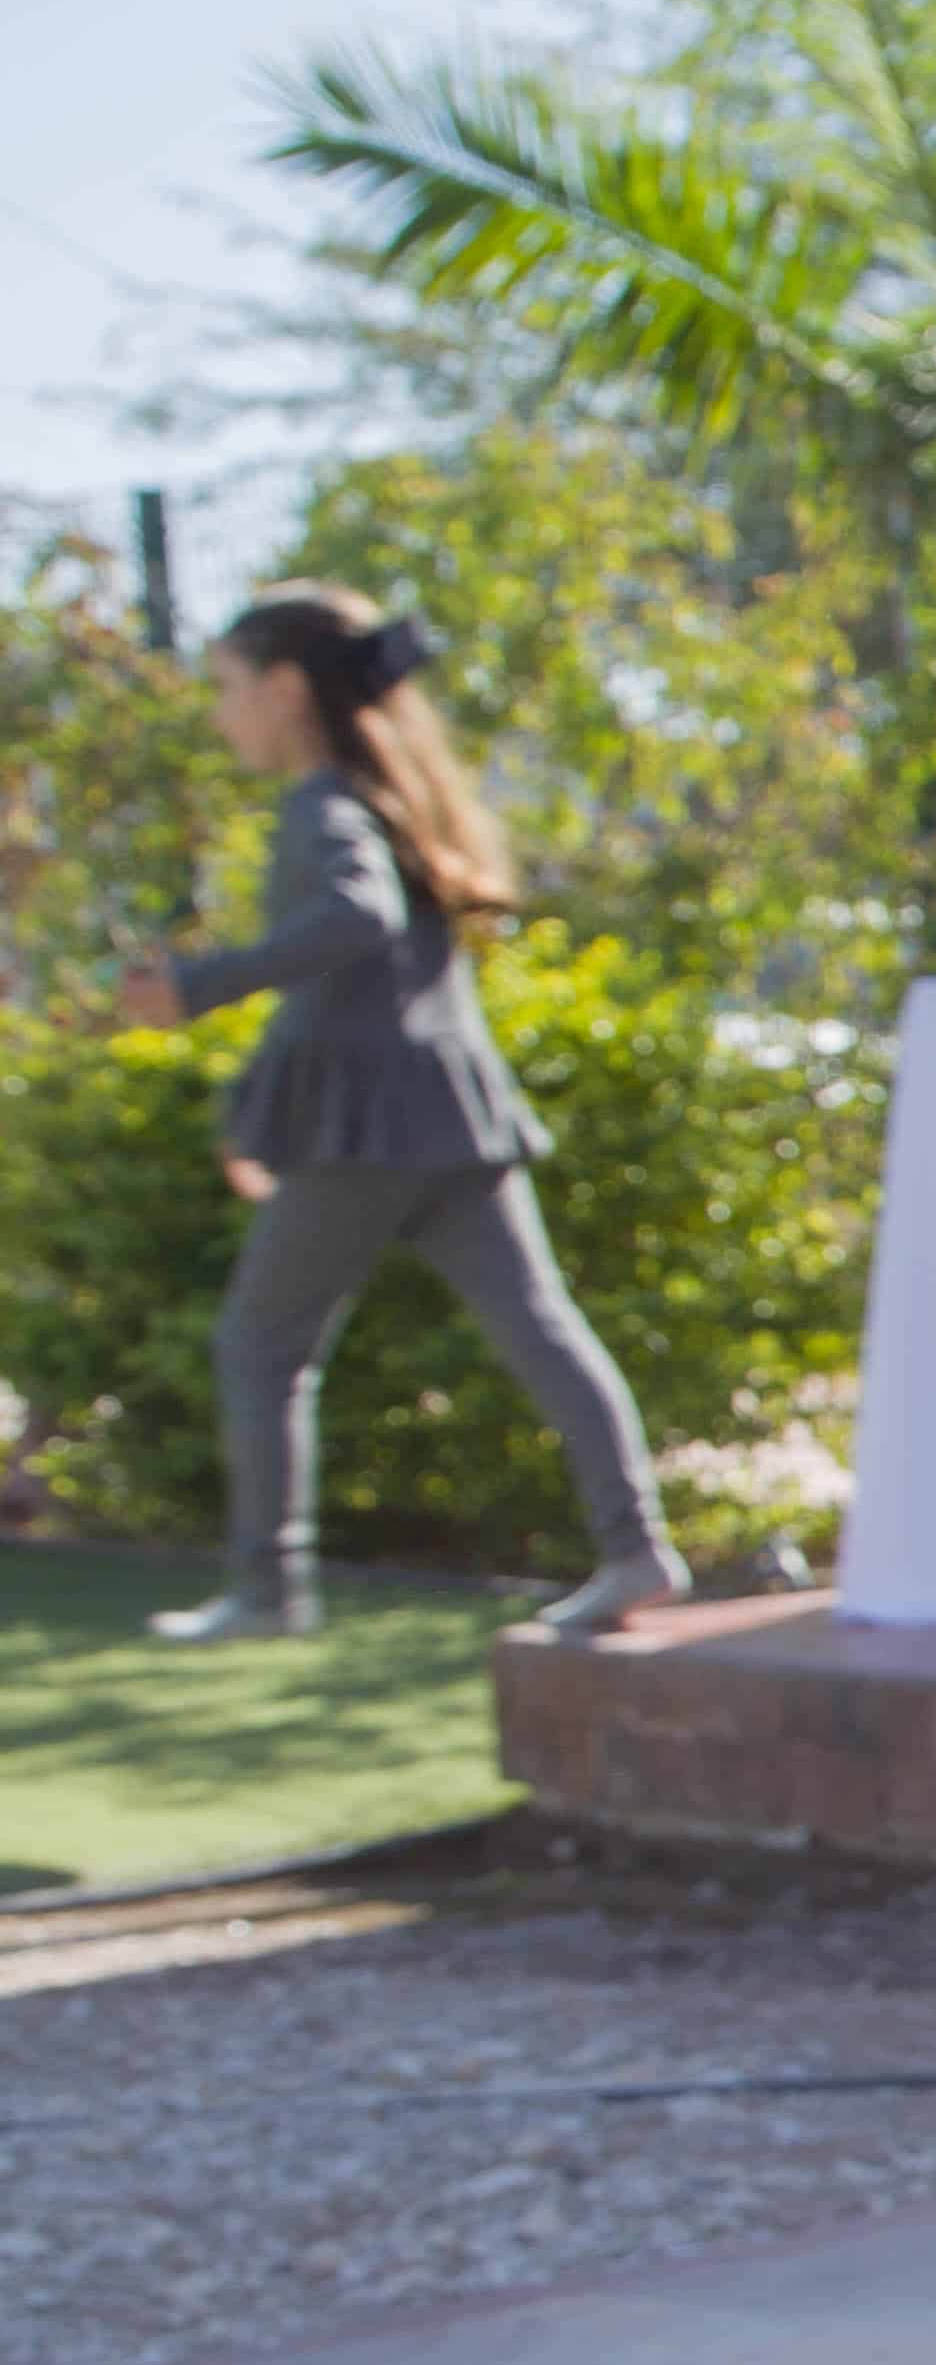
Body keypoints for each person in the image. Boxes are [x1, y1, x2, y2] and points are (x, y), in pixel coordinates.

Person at [108, 584, 682, 1644]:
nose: (222, 713)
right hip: (452, 1117)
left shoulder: (325, 805)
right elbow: (344, 989)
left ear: (286, 690)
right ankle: (635, 1547)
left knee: (259, 1344)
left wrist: (200, 983)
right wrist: (253, 1108)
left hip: (372, 1132)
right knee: (541, 1328)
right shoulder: (385, 800)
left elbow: (354, 922)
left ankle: (269, 1591)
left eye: (229, 689)